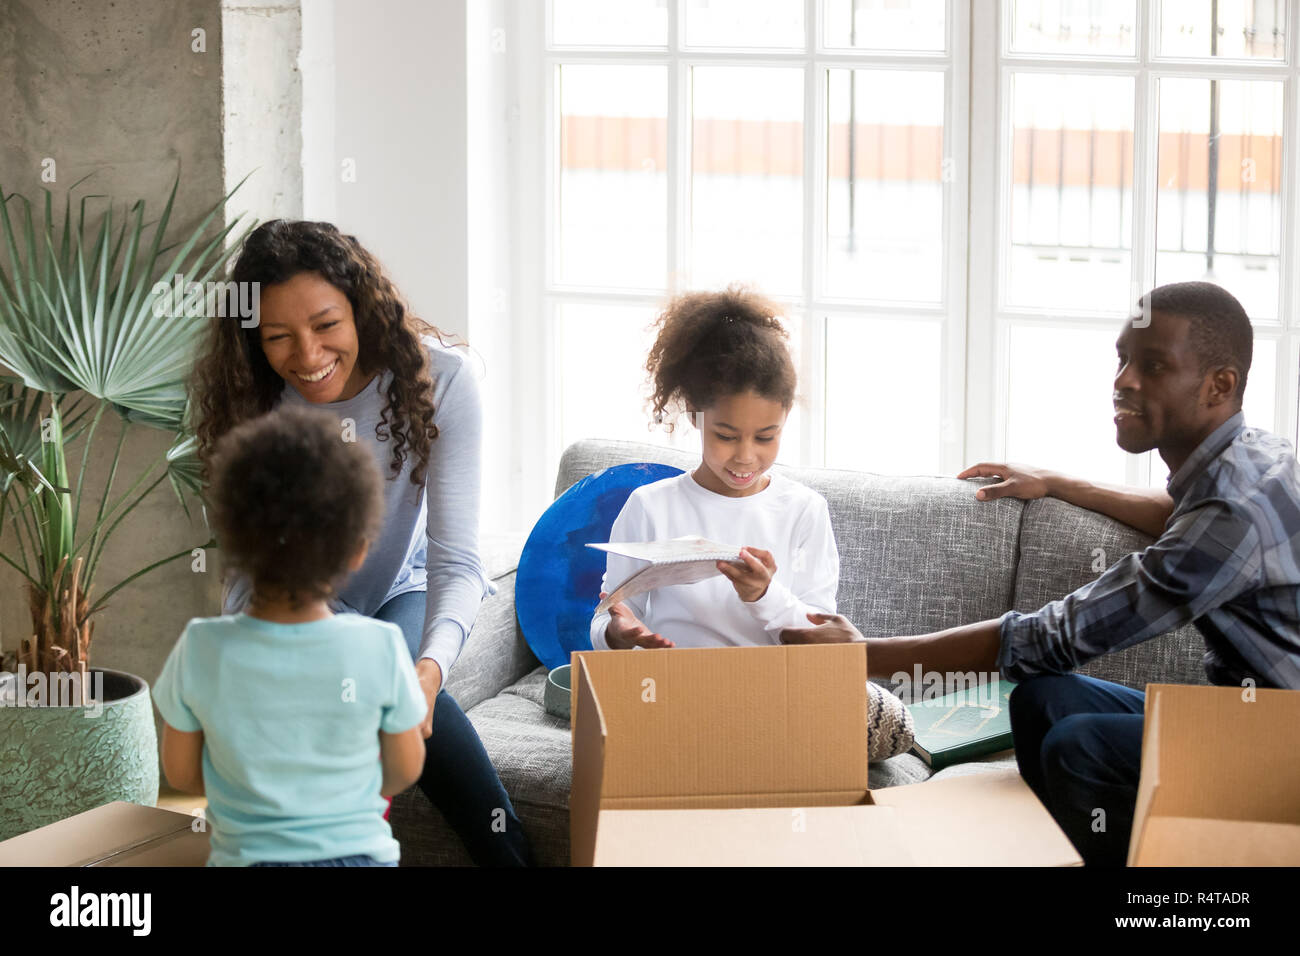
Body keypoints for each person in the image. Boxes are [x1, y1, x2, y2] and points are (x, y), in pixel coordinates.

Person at [781, 281, 1300, 865]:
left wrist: (859, 654)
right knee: (1043, 700)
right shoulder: (1248, 458)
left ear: (1219, 385)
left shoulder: (1233, 510)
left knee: (1083, 746)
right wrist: (1059, 483)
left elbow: (1057, 636)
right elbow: (1176, 515)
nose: (1124, 379)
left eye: (1152, 365)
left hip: (1285, 750)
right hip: (1250, 719)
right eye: (1123, 358)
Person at [189, 220, 532, 866]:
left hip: (399, 590)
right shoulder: (253, 399)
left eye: (325, 325)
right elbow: (249, 565)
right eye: (277, 338)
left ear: (361, 309)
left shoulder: (442, 381)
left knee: (398, 674)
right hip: (292, 604)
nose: (307, 354)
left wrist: (432, 670)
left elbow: (458, 561)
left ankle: (503, 853)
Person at [591, 287, 915, 761]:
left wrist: (765, 596)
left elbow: (821, 641)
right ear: (695, 415)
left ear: (785, 420)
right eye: (725, 435)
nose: (746, 456)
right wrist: (618, 635)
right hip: (671, 697)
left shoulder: (804, 510)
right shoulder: (650, 506)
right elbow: (608, 616)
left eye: (767, 437)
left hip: (770, 699)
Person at [154, 406, 427, 866]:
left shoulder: (200, 648)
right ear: (358, 550)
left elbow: (180, 773)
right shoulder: (380, 647)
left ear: (233, 540)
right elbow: (404, 768)